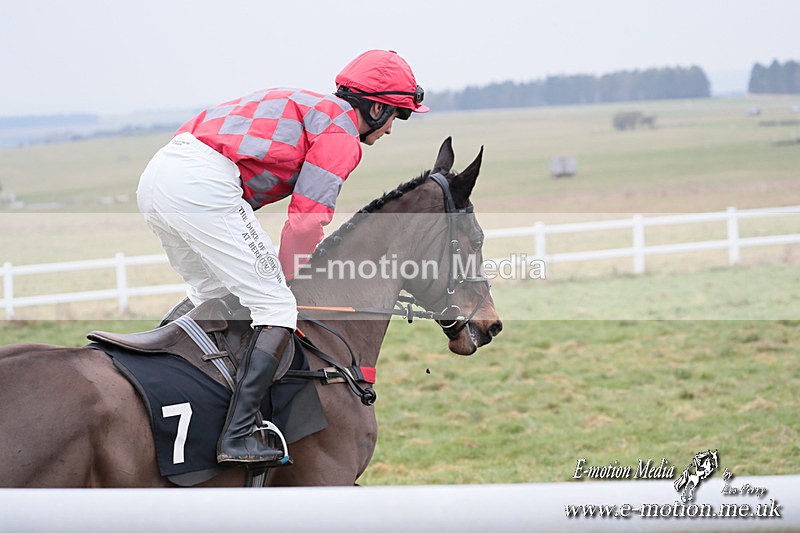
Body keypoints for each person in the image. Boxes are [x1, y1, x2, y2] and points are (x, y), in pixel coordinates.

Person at [136, 49, 429, 464]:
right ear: (377, 108)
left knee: (213, 296)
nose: (392, 129)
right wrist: (291, 279)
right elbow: (307, 221)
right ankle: (238, 435)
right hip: (202, 184)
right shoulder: (341, 134)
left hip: (158, 176)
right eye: (397, 116)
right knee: (276, 306)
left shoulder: (305, 102)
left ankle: (149, 379)